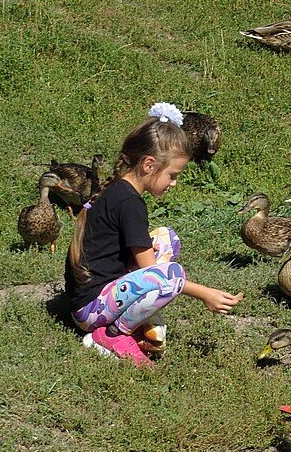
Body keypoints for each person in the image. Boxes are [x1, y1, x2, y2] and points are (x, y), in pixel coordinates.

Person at [64, 102, 243, 366]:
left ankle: (133, 320)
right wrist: (205, 293)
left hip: (91, 296)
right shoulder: (130, 204)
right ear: (149, 165)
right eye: (172, 175)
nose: (174, 183)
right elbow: (155, 274)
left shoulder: (120, 189)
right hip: (90, 311)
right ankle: (113, 334)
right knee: (173, 276)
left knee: (166, 238)